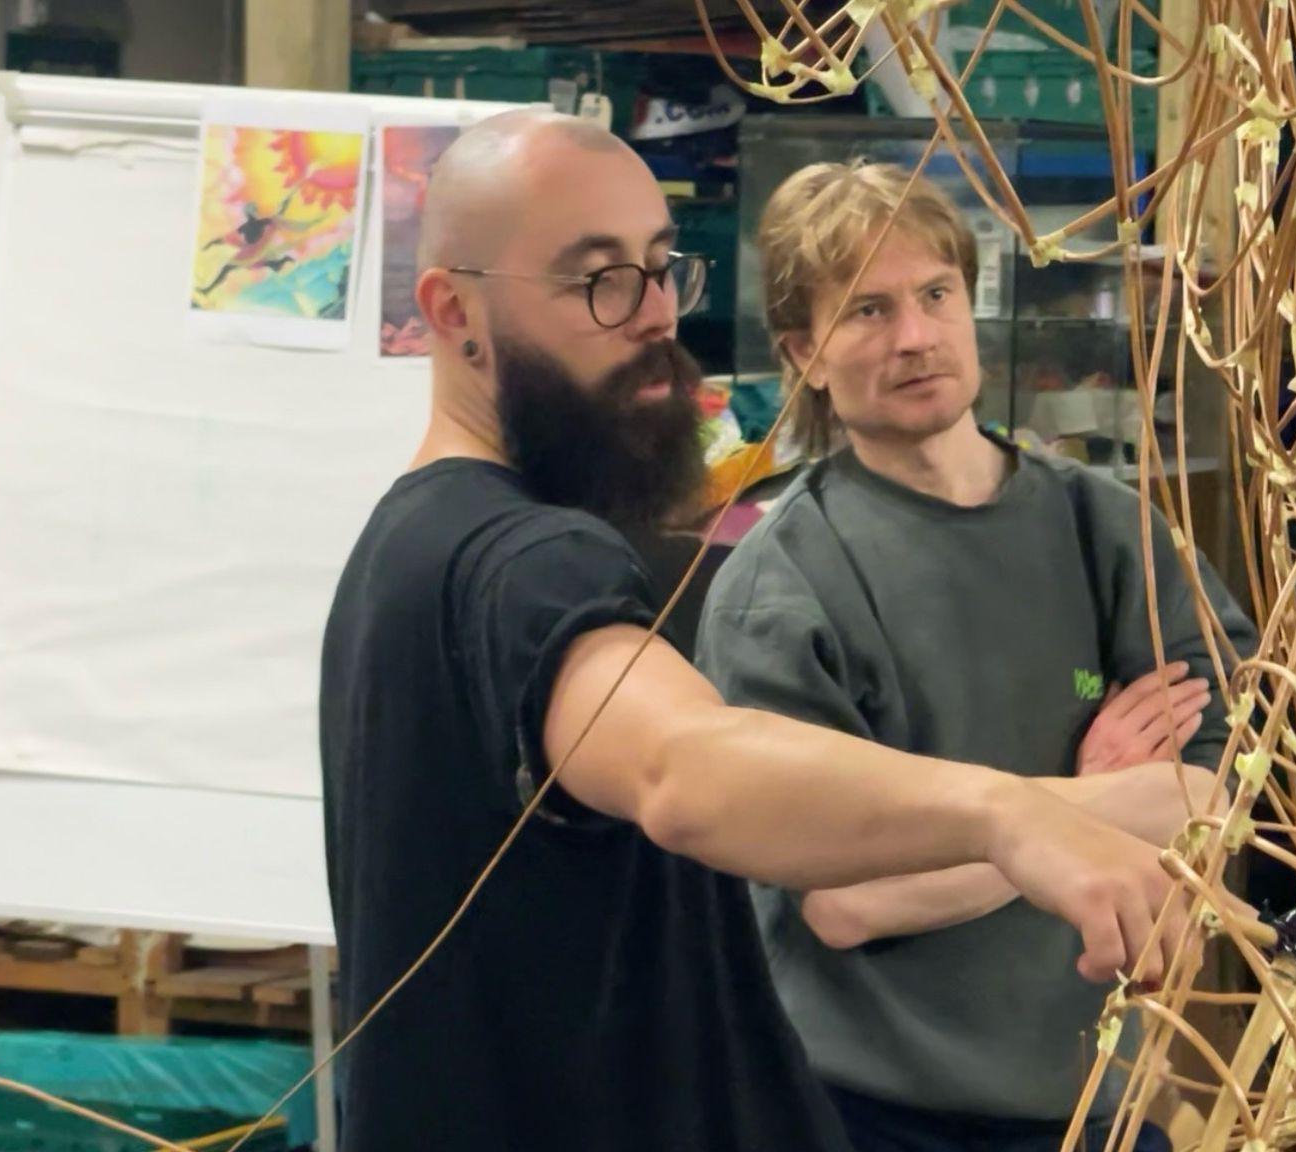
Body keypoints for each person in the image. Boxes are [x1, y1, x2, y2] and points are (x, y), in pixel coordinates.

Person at [317, 113, 1191, 1151]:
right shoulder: (528, 564)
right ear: (453, 311)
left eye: (658, 270)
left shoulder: (409, 540)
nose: (650, 318)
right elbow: (689, 766)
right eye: (595, 279)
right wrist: (1012, 815)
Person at [695, 161, 1258, 1152]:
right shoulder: (783, 589)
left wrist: (983, 842)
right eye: (866, 311)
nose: (912, 337)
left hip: (1103, 1104)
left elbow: (1219, 798)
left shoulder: (1106, 531)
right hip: (872, 1118)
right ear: (804, 354)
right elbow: (841, 903)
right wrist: (1076, 802)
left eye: (933, 295)